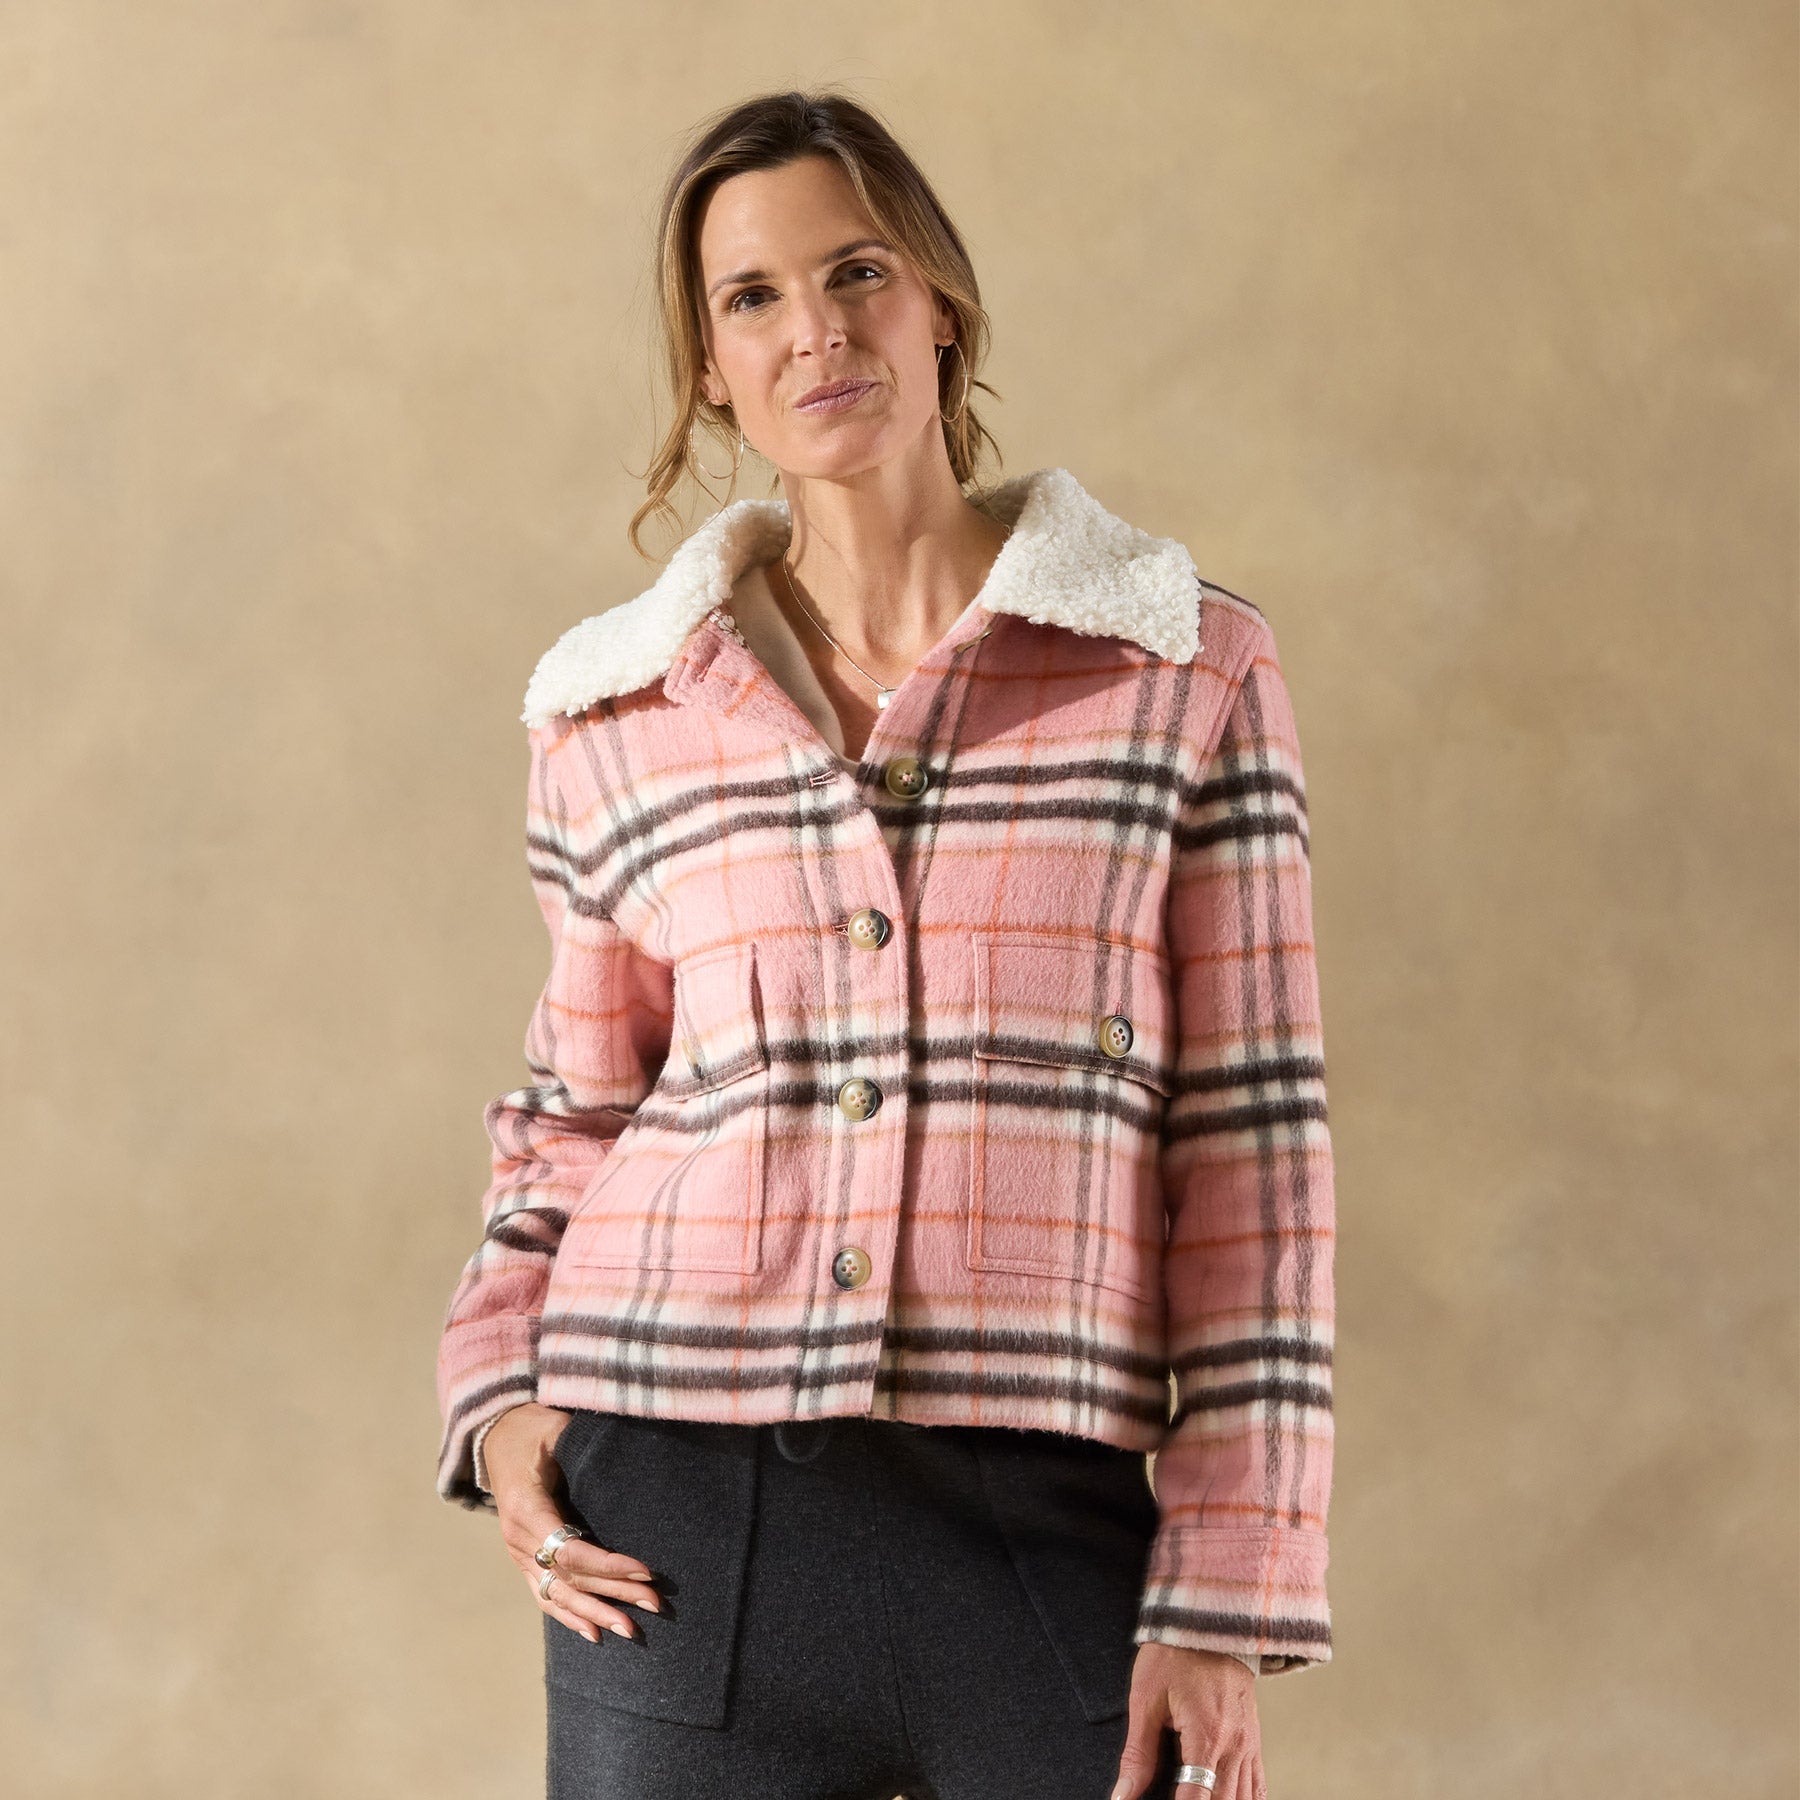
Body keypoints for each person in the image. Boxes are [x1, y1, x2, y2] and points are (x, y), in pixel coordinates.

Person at [435, 88, 1336, 1800]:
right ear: (712, 368)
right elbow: (573, 1110)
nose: (817, 331)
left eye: (856, 270)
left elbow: (1253, 1152)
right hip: (675, 1518)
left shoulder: (1184, 670)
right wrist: (502, 1394)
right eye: (751, 298)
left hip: (1044, 1527)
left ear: (941, 300)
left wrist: (1228, 1583)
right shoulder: (617, 707)